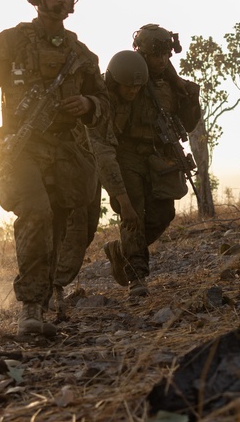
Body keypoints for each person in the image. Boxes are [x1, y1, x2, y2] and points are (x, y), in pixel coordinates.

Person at [0, 0, 109, 337]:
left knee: (69, 220)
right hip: (20, 146)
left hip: (65, 148)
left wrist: (88, 104)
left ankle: (48, 296)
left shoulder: (81, 55)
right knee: (36, 212)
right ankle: (30, 308)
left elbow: (106, 102)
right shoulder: (10, 43)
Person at [103, 24, 202, 297]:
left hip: (159, 157)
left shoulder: (170, 83)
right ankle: (137, 278)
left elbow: (187, 123)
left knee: (163, 214)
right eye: (156, 55)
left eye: (166, 56)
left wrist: (188, 95)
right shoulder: (129, 75)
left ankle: (120, 251)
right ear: (143, 53)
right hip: (128, 154)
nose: (161, 61)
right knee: (133, 214)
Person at [49, 49, 148, 317]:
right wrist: (124, 201)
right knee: (76, 228)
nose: (133, 91)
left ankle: (50, 285)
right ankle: (50, 289)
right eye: (128, 86)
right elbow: (103, 155)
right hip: (73, 164)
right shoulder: (102, 100)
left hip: (87, 166)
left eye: (137, 87)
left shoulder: (126, 101)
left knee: (89, 227)